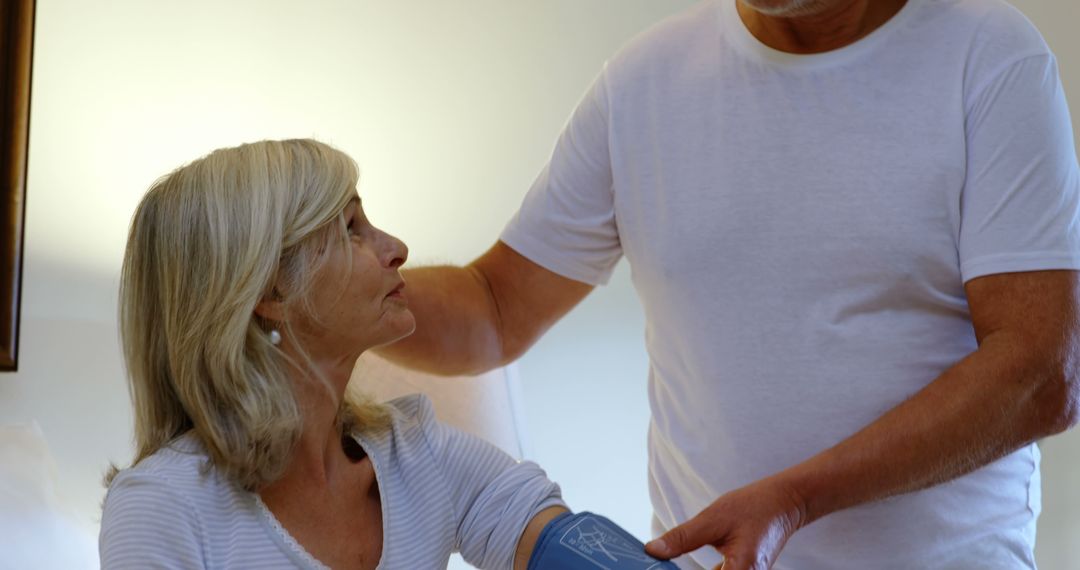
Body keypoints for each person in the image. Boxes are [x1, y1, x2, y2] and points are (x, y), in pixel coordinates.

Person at [377, 0, 1080, 568]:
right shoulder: (643, 81)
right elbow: (495, 308)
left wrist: (796, 499)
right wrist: (334, 282)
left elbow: (1044, 370)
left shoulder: (989, 54)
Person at [99, 139, 681, 570]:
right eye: (352, 228)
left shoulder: (416, 454)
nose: (397, 249)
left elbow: (561, 542)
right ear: (271, 291)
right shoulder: (161, 507)